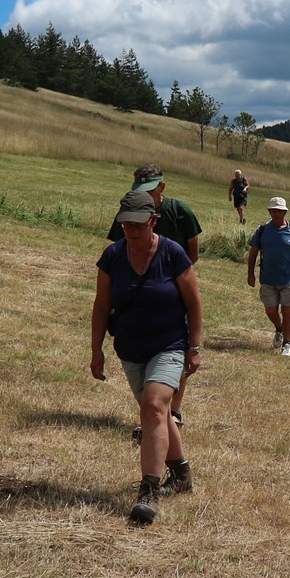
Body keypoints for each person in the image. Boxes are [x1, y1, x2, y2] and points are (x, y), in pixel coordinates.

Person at [92, 191, 202, 525]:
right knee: (159, 413)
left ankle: (149, 492)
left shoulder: (172, 253)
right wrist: (95, 350)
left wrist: (194, 347)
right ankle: (181, 474)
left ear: (153, 222)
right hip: (131, 347)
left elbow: (194, 303)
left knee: (154, 406)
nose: (131, 230)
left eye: (138, 224)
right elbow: (101, 305)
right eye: (126, 224)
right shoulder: (112, 256)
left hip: (170, 343)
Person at [106, 165, 203, 428]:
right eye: (140, 190)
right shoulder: (130, 213)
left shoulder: (180, 211)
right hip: (139, 290)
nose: (145, 195)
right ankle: (160, 415)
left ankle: (174, 411)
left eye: (149, 190)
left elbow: (193, 252)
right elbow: (117, 249)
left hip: (173, 287)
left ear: (162, 187)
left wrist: (175, 274)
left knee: (175, 346)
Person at [246, 197, 290, 358]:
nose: (276, 213)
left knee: (288, 310)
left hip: (289, 278)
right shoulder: (262, 230)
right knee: (271, 310)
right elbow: (253, 252)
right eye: (273, 210)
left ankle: (287, 344)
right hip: (268, 278)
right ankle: (279, 328)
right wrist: (250, 274)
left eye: (279, 210)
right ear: (269, 211)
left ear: (285, 212)